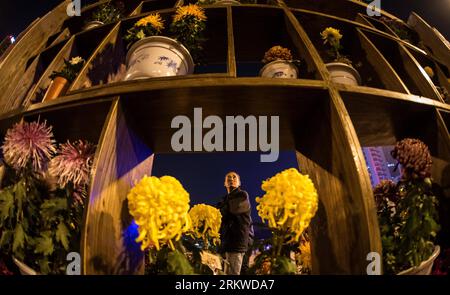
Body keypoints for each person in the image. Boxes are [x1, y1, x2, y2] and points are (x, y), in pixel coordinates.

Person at [217, 171, 252, 275]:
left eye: (234, 177)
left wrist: (220, 209)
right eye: (228, 177)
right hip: (226, 243)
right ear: (225, 183)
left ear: (239, 183)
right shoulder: (224, 199)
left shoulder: (242, 195)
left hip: (237, 243)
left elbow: (230, 210)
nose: (231, 179)